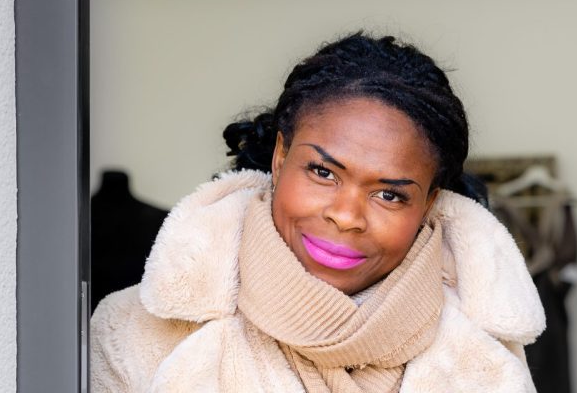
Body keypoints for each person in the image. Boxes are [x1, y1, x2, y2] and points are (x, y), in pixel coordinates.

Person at [89, 32, 545, 392]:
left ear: (428, 203)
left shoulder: (486, 355)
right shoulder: (133, 332)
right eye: (323, 172)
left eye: (389, 195)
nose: (346, 216)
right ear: (280, 156)